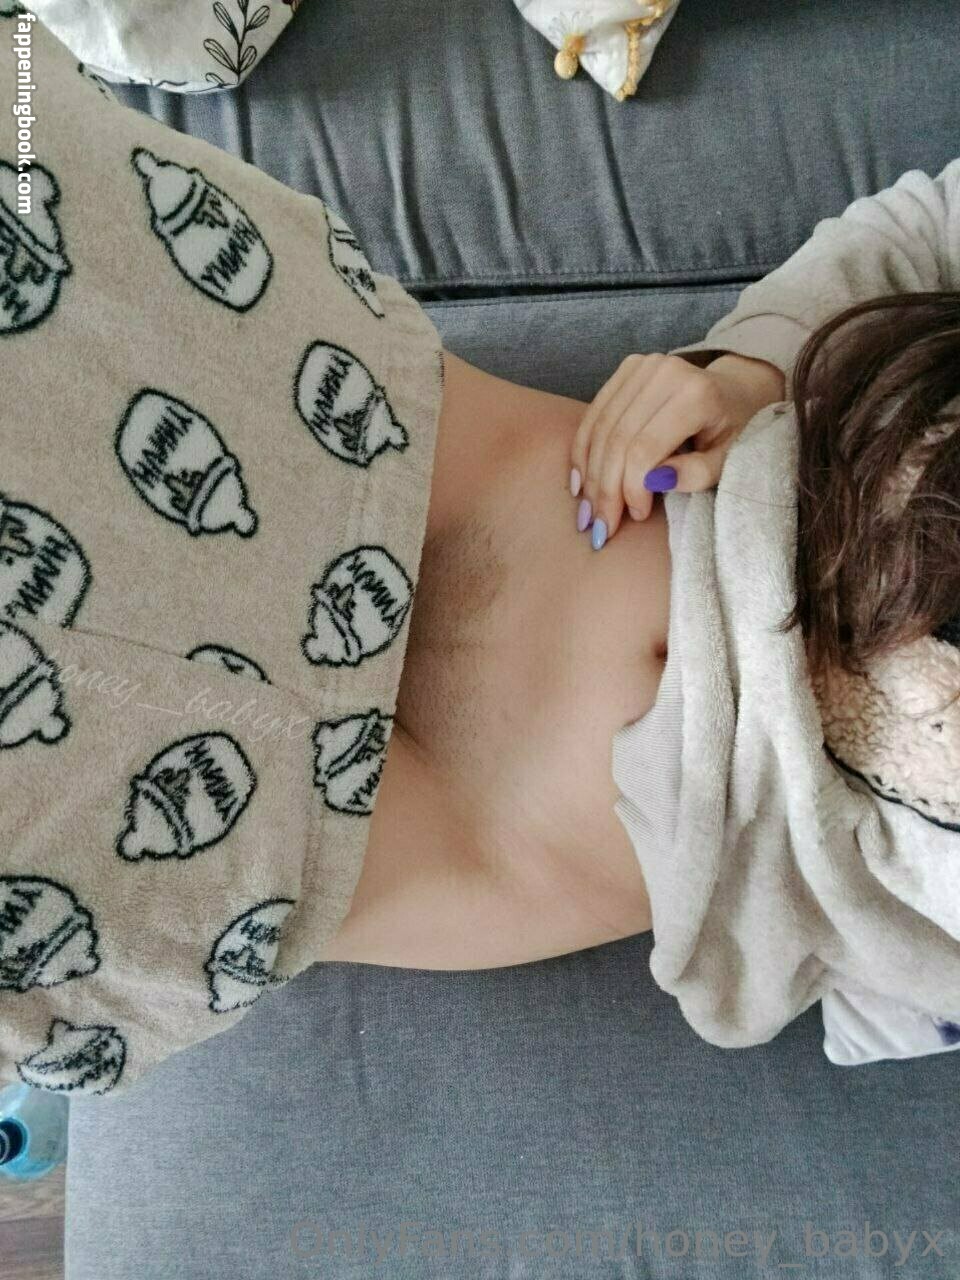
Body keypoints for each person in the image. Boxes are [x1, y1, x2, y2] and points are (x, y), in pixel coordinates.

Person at [1, 13, 958, 1096]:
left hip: (461, 820)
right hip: (380, 444)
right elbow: (936, 219)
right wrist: (752, 368)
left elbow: (893, 1002)